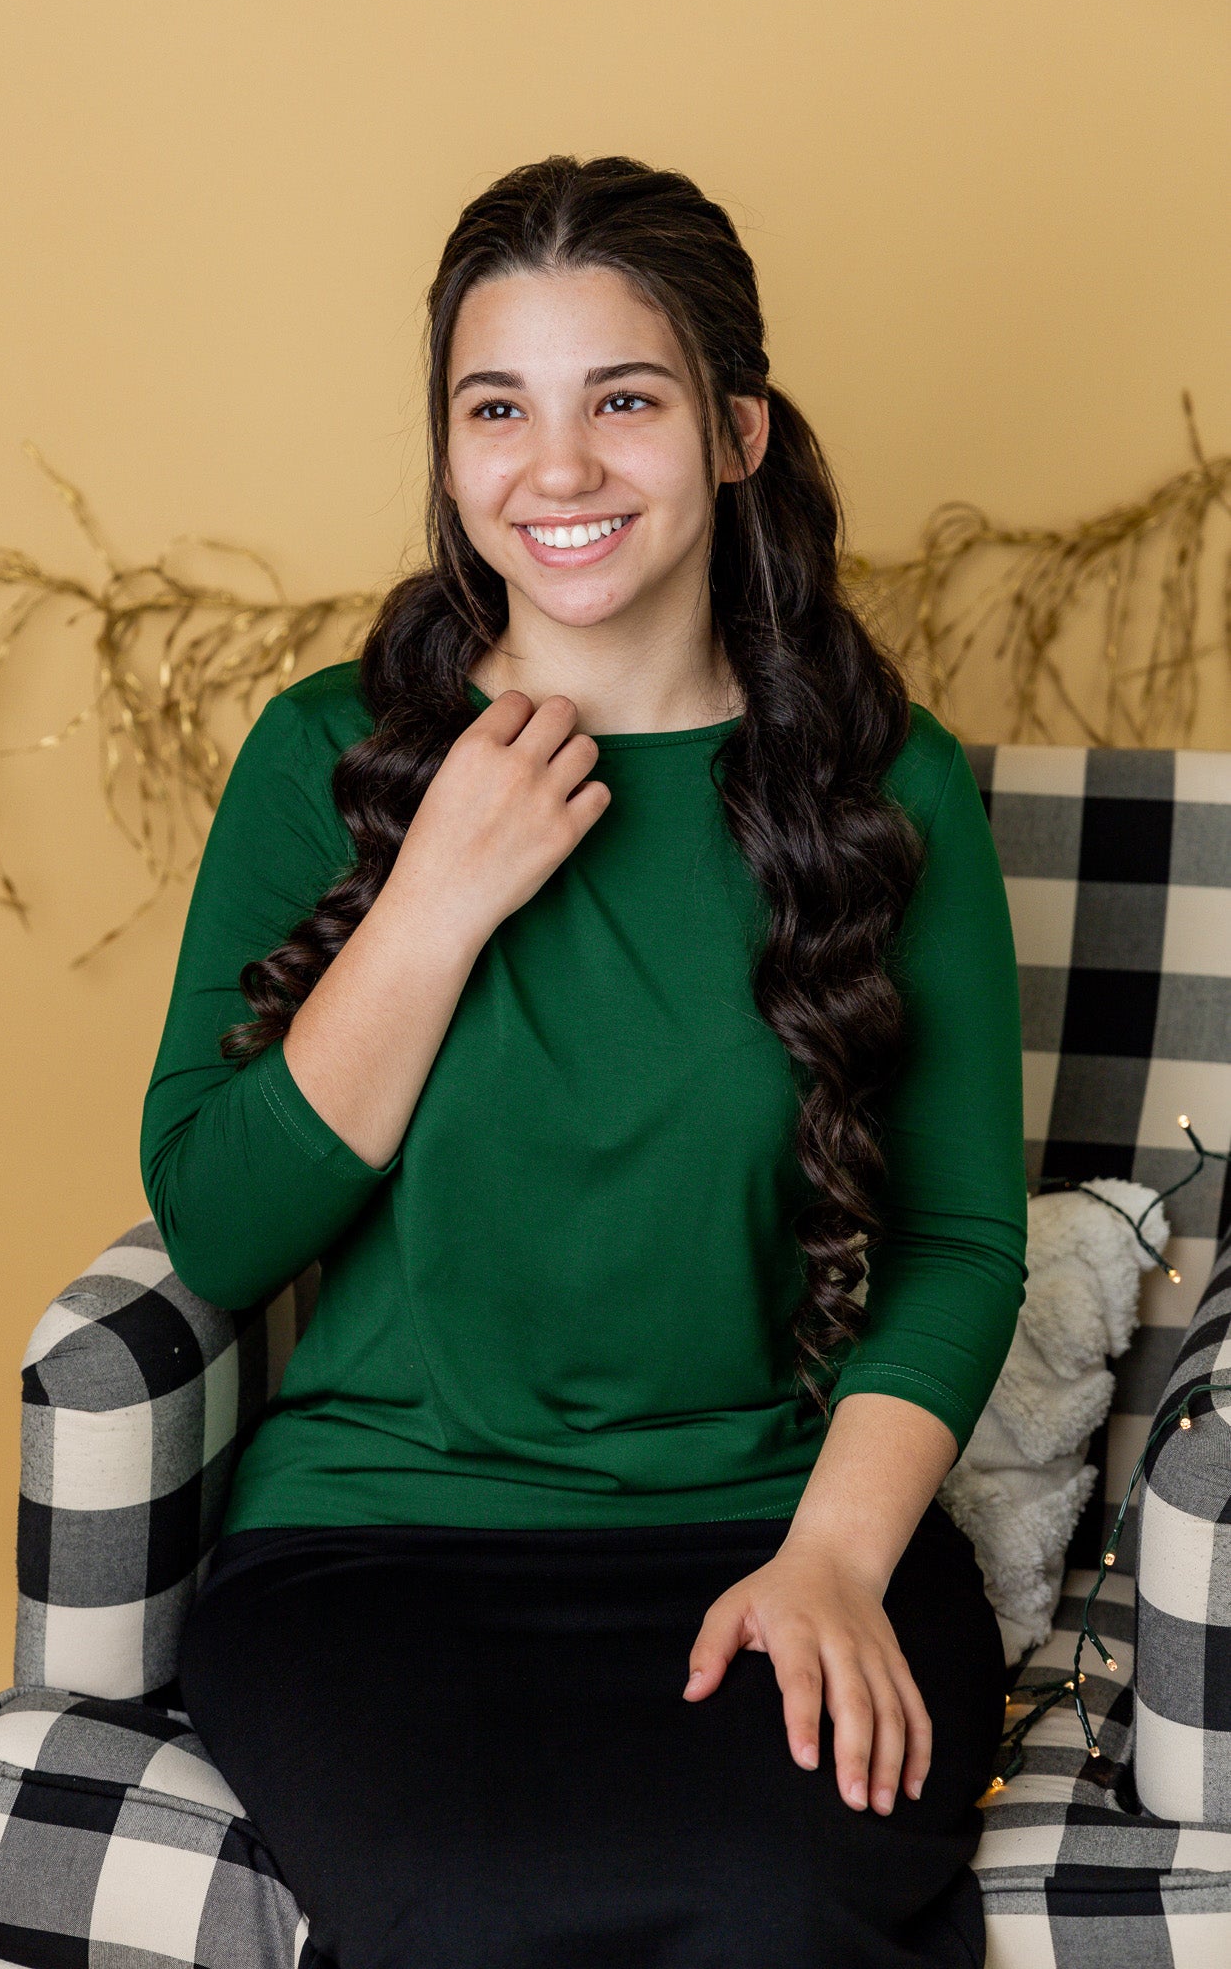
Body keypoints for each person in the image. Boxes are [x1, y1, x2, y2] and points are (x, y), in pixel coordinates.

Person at [143, 153, 1028, 1968]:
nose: (554, 470)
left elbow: (953, 1241)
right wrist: (428, 907)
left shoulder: (890, 789)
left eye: (621, 400)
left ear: (735, 433)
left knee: (775, 1900)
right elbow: (219, 1231)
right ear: (449, 449)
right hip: (379, 1544)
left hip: (777, 1525)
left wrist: (838, 1560)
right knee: (474, 1910)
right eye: (496, 408)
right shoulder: (325, 757)